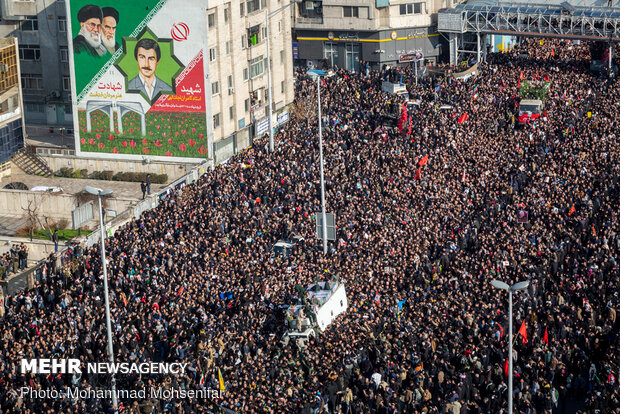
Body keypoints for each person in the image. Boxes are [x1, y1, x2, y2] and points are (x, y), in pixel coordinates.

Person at [128, 38, 172, 103]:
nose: (146, 64)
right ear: (137, 59)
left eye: (151, 59)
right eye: (142, 57)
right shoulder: (128, 87)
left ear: (157, 61)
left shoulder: (168, 89)